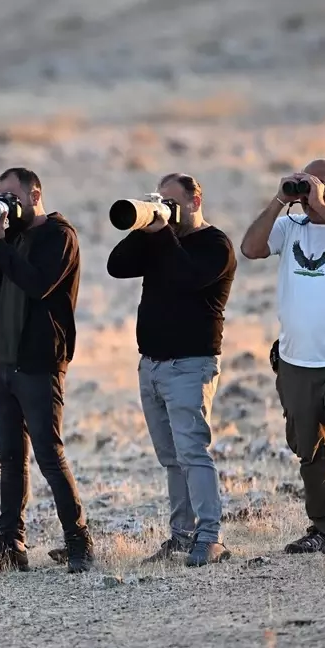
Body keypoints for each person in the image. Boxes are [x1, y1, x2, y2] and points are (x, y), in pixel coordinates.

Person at [0, 167, 95, 574]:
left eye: (12, 196)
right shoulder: (9, 234)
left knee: (49, 455)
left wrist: (0, 243)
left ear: (35, 194)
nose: (8, 203)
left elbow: (38, 283)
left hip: (40, 363)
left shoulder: (59, 236)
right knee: (11, 458)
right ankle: (11, 543)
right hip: (4, 363)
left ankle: (78, 540)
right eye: (1, 195)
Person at [239, 158, 325, 556]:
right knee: (309, 447)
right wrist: (278, 201)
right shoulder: (288, 227)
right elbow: (250, 248)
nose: (307, 192)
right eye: (303, 184)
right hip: (297, 358)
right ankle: (324, 527)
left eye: (317, 184)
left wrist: (322, 207)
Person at [106, 173, 237, 567]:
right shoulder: (159, 241)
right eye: (161, 201)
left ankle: (209, 537)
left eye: (172, 202)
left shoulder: (216, 245)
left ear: (196, 201)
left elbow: (187, 277)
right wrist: (145, 223)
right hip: (152, 365)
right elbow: (116, 265)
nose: (167, 208)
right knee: (171, 458)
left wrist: (163, 233)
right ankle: (181, 536)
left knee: (193, 452)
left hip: (190, 365)